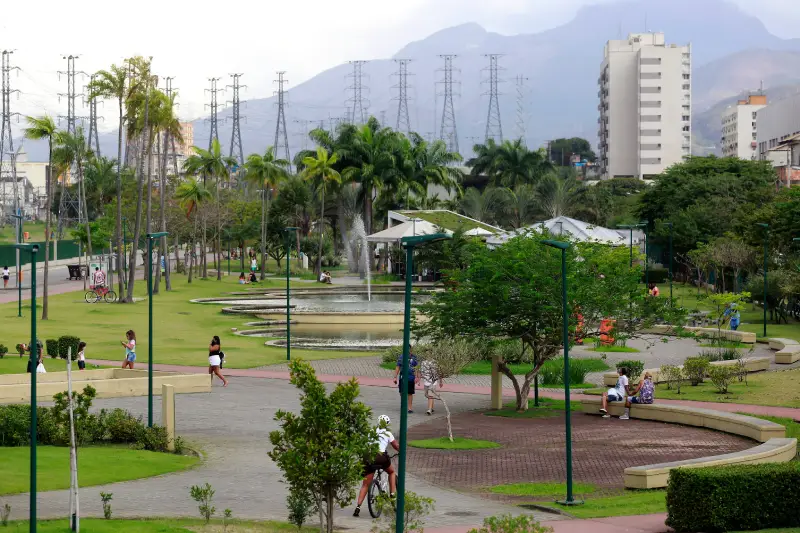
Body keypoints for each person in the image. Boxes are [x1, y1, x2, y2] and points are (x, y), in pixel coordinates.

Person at [354, 414, 399, 517]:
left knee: (365, 484)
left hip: (369, 457)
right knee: (391, 472)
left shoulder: (371, 432)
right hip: (381, 457)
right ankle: (392, 494)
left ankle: (358, 507)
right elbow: (396, 446)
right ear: (387, 424)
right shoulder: (388, 433)